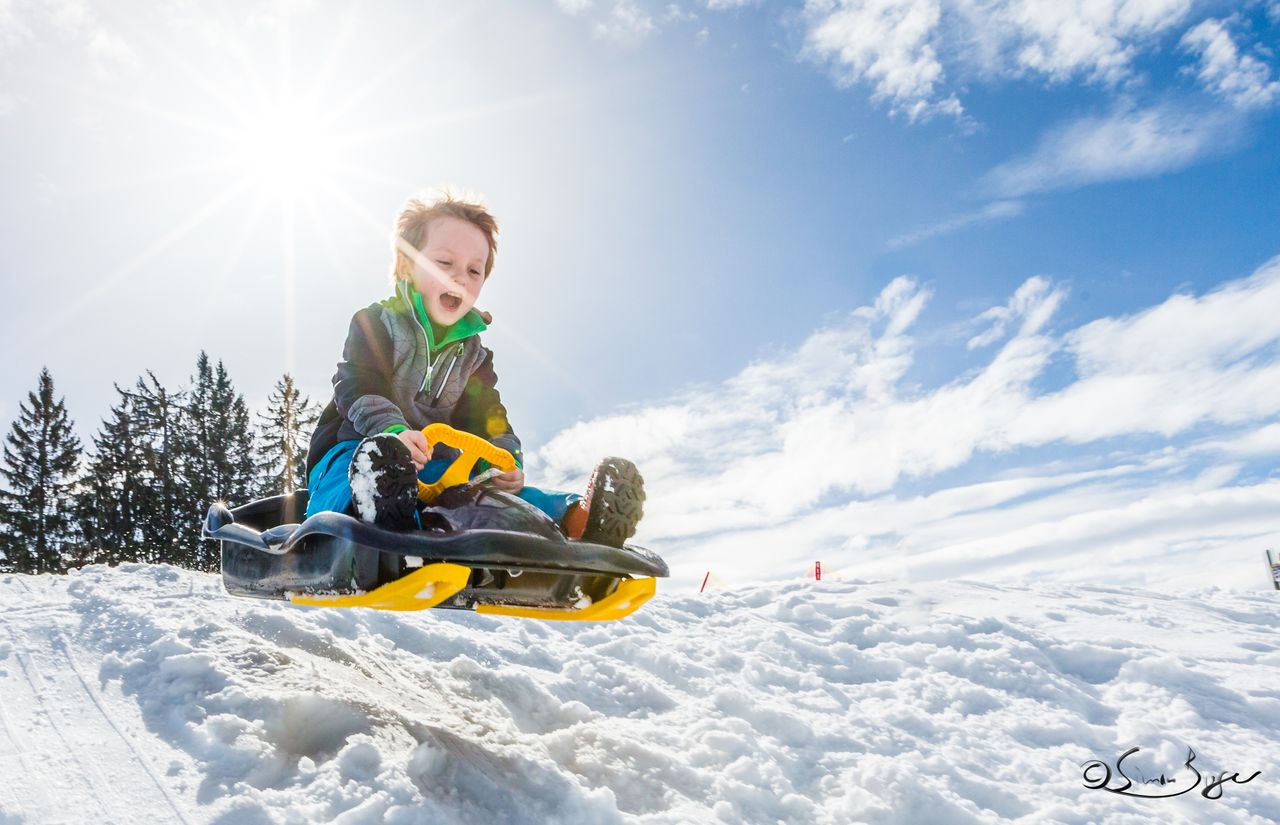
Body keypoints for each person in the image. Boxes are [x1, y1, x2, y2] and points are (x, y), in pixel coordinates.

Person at [303, 190, 643, 547]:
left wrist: (503, 461)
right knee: (355, 477)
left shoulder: (475, 356)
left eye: (473, 270)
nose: (460, 278)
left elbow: (488, 415)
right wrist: (392, 432)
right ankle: (372, 509)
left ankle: (578, 520)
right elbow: (359, 383)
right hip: (356, 448)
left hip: (436, 468)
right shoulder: (376, 322)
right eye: (444, 263)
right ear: (406, 266)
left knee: (504, 498)